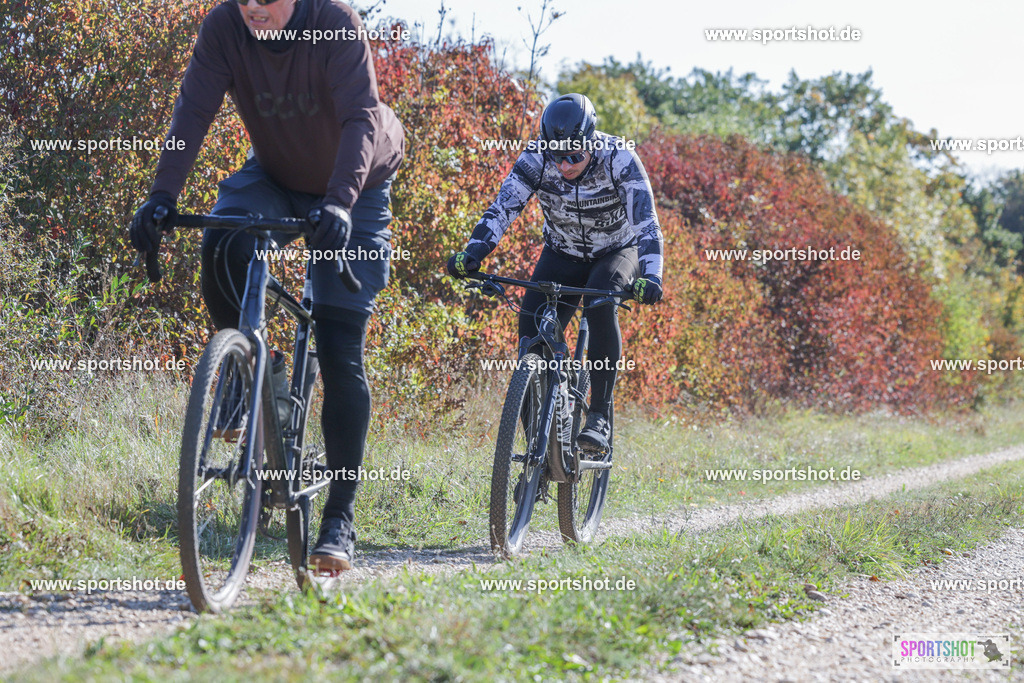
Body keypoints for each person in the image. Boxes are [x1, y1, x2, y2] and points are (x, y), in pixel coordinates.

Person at [129, 0, 404, 572]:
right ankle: (250, 371)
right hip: (276, 173)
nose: (254, 7)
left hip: (359, 181)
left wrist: (339, 202)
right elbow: (193, 112)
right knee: (224, 238)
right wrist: (162, 196)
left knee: (337, 345)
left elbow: (360, 118)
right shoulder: (225, 26)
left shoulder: (335, 22)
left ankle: (339, 520)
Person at [447, 93, 663, 454]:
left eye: (574, 157)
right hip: (562, 251)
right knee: (530, 328)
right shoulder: (535, 157)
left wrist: (653, 276)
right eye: (557, 157)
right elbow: (503, 207)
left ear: (591, 142)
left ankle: (598, 418)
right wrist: (475, 251)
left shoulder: (619, 157)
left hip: (616, 251)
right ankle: (540, 448)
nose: (564, 166)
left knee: (598, 301)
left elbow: (647, 223)